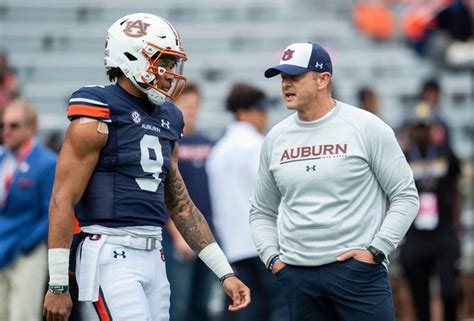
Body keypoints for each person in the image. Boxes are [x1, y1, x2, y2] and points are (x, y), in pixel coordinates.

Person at [42, 13, 250, 321]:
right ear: (131, 56)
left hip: (155, 254)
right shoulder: (98, 109)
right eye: (162, 62)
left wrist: (224, 273)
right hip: (110, 251)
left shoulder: (169, 118)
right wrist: (58, 284)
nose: (168, 73)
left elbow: (181, 206)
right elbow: (62, 198)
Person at [249, 42, 420, 321]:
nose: (285, 85)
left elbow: (405, 196)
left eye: (295, 77)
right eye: (282, 78)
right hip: (297, 276)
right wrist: (273, 259)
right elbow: (261, 211)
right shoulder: (276, 137)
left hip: (358, 273)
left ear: (322, 79)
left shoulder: (367, 126)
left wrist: (377, 251)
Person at [207, 83, 289, 321]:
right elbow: (273, 192)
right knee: (281, 306)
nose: (265, 116)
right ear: (243, 112)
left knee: (249, 308)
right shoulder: (257, 144)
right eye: (259, 110)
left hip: (234, 245)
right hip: (268, 242)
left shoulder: (218, 150)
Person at [162, 82, 217, 321]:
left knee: (203, 305)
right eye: (185, 105)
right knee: (179, 305)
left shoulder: (210, 143)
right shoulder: (166, 143)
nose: (191, 111)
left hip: (208, 234)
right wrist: (177, 235)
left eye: (195, 105)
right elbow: (163, 194)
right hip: (178, 236)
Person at [0, 98, 57, 321]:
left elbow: (51, 212)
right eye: (3, 125)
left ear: (31, 128)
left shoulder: (47, 162)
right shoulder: (2, 159)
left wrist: (26, 245)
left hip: (27, 252)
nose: (7, 131)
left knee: (22, 315)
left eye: (14, 126)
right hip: (2, 245)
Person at [400, 119, 461, 321]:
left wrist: (456, 224)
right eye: (417, 129)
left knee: (450, 291)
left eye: (425, 129)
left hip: (443, 231)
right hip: (415, 236)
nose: (421, 134)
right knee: (420, 298)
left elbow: (455, 188)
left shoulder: (445, 153)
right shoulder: (403, 157)